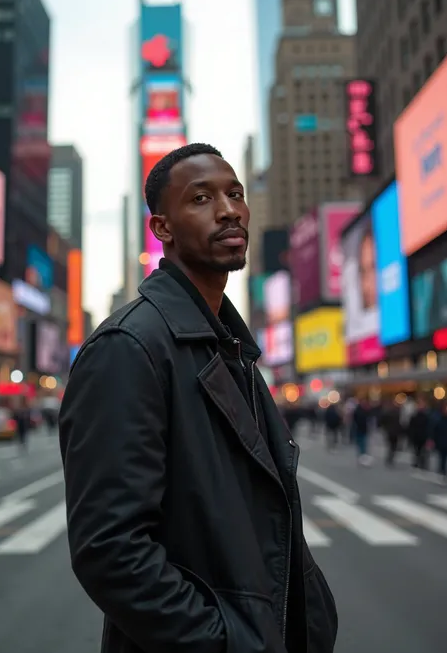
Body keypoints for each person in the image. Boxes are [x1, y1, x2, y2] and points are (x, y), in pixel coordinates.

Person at [59, 143, 337, 653]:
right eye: (202, 198)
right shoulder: (129, 348)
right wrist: (223, 643)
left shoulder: (230, 349)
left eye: (235, 193)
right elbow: (109, 551)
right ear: (162, 228)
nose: (229, 208)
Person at [408, 397, 430, 470]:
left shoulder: (427, 416)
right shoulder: (414, 416)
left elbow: (429, 427)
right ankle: (417, 462)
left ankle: (423, 463)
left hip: (424, 436)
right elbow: (411, 427)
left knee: (424, 451)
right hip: (416, 436)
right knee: (417, 451)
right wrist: (411, 436)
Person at [380, 399, 402, 467]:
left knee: (391, 446)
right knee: (393, 446)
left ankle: (390, 458)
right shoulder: (397, 412)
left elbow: (382, 422)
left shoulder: (387, 412)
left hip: (390, 431)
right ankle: (390, 458)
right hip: (394, 432)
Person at [353, 398, 373, 466]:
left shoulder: (361, 411)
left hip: (361, 429)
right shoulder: (360, 411)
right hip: (361, 429)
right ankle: (362, 457)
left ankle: (361, 457)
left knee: (361, 443)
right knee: (362, 444)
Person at [433, 402, 447, 481]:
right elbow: (435, 431)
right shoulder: (439, 419)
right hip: (442, 441)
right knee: (442, 458)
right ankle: (442, 471)